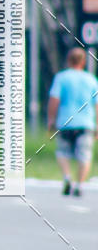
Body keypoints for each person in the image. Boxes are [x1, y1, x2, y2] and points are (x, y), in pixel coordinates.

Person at [47, 47, 98, 196]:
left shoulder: (61, 78)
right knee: (85, 154)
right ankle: (80, 184)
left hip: (65, 122)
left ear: (68, 60)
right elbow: (96, 104)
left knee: (63, 152)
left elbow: (54, 100)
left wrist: (51, 119)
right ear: (83, 62)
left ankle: (67, 177)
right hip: (86, 124)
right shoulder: (91, 80)